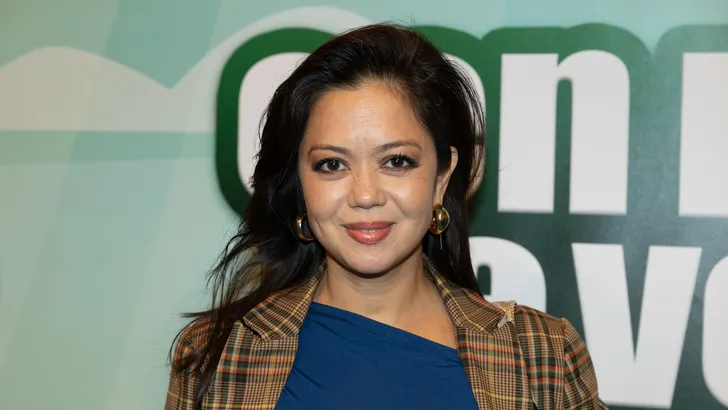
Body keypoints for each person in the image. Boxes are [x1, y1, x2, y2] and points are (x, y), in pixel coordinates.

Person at [164, 23, 607, 410]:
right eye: (331, 164)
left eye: (396, 161)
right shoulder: (216, 354)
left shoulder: (543, 355)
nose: (365, 195)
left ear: (441, 177)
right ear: (299, 184)